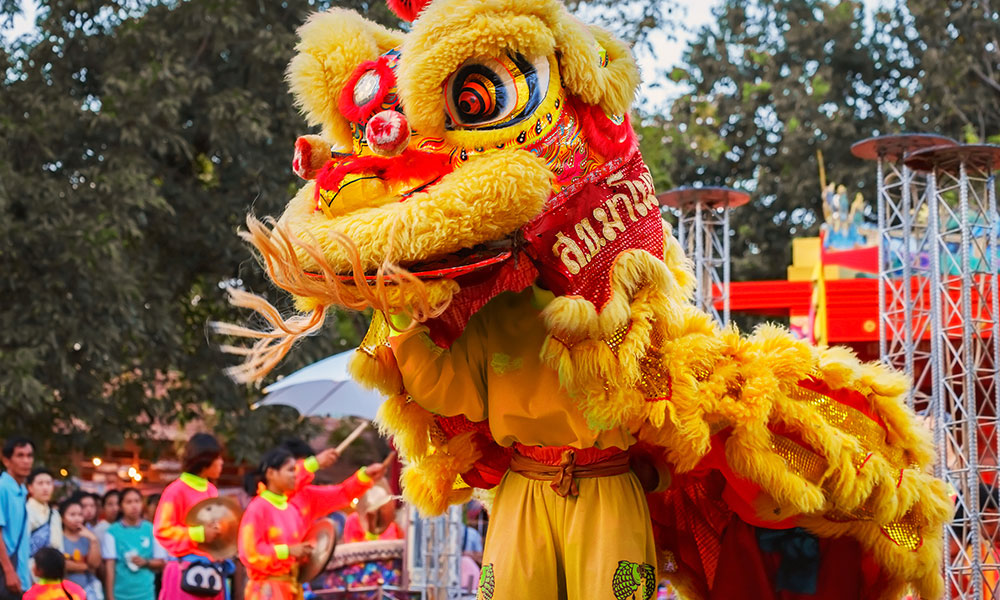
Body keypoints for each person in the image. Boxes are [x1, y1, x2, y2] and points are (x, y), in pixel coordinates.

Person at [237, 447, 385, 600]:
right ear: (271, 473)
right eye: (290, 470)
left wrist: (365, 476)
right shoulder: (259, 508)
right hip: (266, 590)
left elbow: (343, 494)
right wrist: (288, 551)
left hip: (293, 587)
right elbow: (249, 553)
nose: (295, 475)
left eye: (296, 470)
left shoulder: (297, 504)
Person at [153, 433, 229, 600]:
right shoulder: (176, 490)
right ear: (205, 460)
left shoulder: (211, 490)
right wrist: (199, 534)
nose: (222, 462)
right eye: (218, 458)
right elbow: (163, 530)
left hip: (211, 571)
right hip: (184, 570)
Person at [101, 489, 165, 600]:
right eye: (129, 502)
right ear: (121, 506)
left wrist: (146, 562)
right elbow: (109, 567)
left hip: (146, 594)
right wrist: (110, 597)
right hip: (120, 594)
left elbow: (161, 562)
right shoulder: (112, 532)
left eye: (137, 501)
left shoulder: (151, 529)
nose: (134, 506)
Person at [1, 437, 35, 599]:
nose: (26, 461)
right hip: (6, 575)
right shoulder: (3, 488)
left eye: (29, 456)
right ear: (7, 460)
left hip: (19, 575)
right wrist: (9, 571)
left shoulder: (20, 489)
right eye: (20, 456)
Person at [60, 497, 102, 600]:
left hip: (87, 591)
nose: (77, 519)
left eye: (80, 515)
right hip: (63, 591)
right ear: (62, 518)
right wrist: (87, 567)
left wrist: (93, 540)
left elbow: (95, 564)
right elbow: (62, 565)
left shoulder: (88, 537)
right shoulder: (58, 538)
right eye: (72, 515)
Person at [27, 469, 63, 582]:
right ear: (30, 487)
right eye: (40, 483)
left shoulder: (55, 514)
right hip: (28, 573)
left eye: (48, 483)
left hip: (52, 576)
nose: (45, 488)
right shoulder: (25, 511)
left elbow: (59, 547)